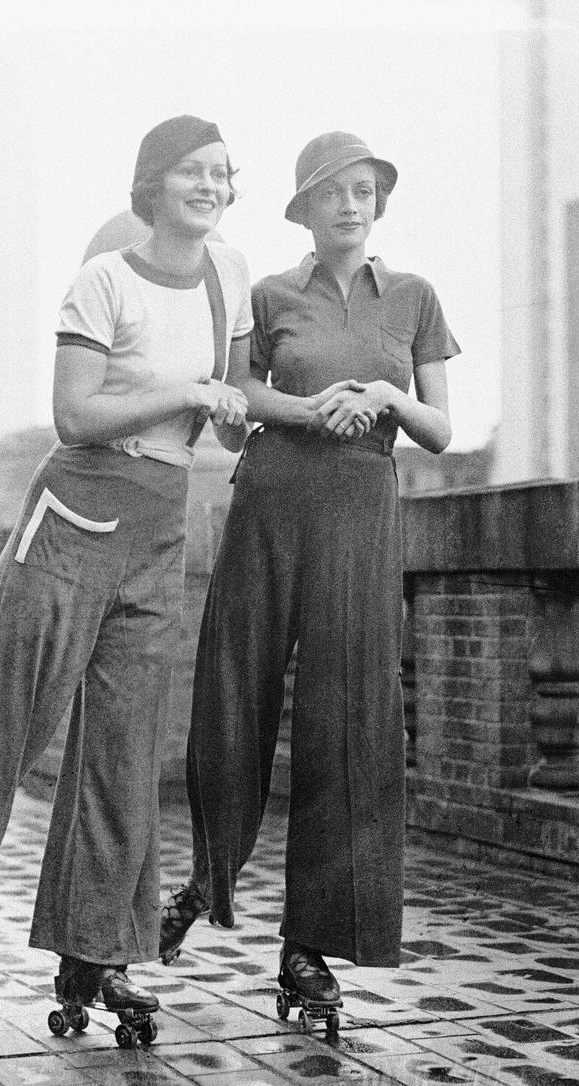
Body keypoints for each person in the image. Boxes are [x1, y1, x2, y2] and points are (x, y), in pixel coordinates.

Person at [0, 115, 252, 1030]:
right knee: (10, 708)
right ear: (152, 184)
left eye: (223, 173)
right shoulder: (104, 280)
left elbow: (233, 409)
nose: (210, 186)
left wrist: (284, 410)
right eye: (192, 172)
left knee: (123, 755)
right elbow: (74, 415)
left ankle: (96, 960)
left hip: (160, 525)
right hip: (78, 511)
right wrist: (190, 393)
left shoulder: (228, 277)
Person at [161, 131, 458, 1012]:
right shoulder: (268, 294)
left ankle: (307, 951)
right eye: (333, 190)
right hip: (270, 502)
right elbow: (232, 407)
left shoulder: (414, 298)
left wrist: (386, 398)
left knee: (348, 719)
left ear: (379, 203)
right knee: (232, 699)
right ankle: (199, 887)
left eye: (365, 189)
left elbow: (441, 428)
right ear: (304, 206)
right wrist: (309, 409)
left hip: (362, 515)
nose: (351, 204)